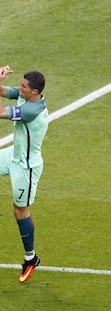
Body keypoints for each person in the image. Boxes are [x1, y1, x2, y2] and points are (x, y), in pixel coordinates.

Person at [0, 65, 48, 282]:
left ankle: (31, 258)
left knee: (20, 210)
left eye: (23, 86)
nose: (19, 88)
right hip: (14, 154)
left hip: (26, 167)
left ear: (34, 92)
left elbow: (0, 113)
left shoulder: (32, 111)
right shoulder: (25, 96)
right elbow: (4, 92)